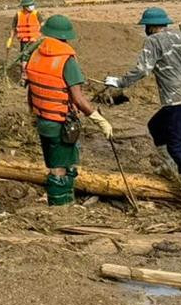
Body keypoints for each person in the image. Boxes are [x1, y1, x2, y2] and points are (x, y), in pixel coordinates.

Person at [104, 7, 181, 205]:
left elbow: (143, 69)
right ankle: (170, 166)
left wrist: (119, 83)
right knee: (155, 125)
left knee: (175, 145)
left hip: (177, 100)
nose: (146, 29)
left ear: (151, 26)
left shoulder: (152, 41)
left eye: (146, 26)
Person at [21, 14, 112, 206]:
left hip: (42, 119)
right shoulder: (66, 60)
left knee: (59, 162)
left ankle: (65, 200)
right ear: (66, 36)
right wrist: (99, 119)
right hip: (60, 122)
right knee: (59, 169)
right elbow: (78, 99)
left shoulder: (35, 55)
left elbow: (31, 89)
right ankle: (60, 207)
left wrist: (33, 113)